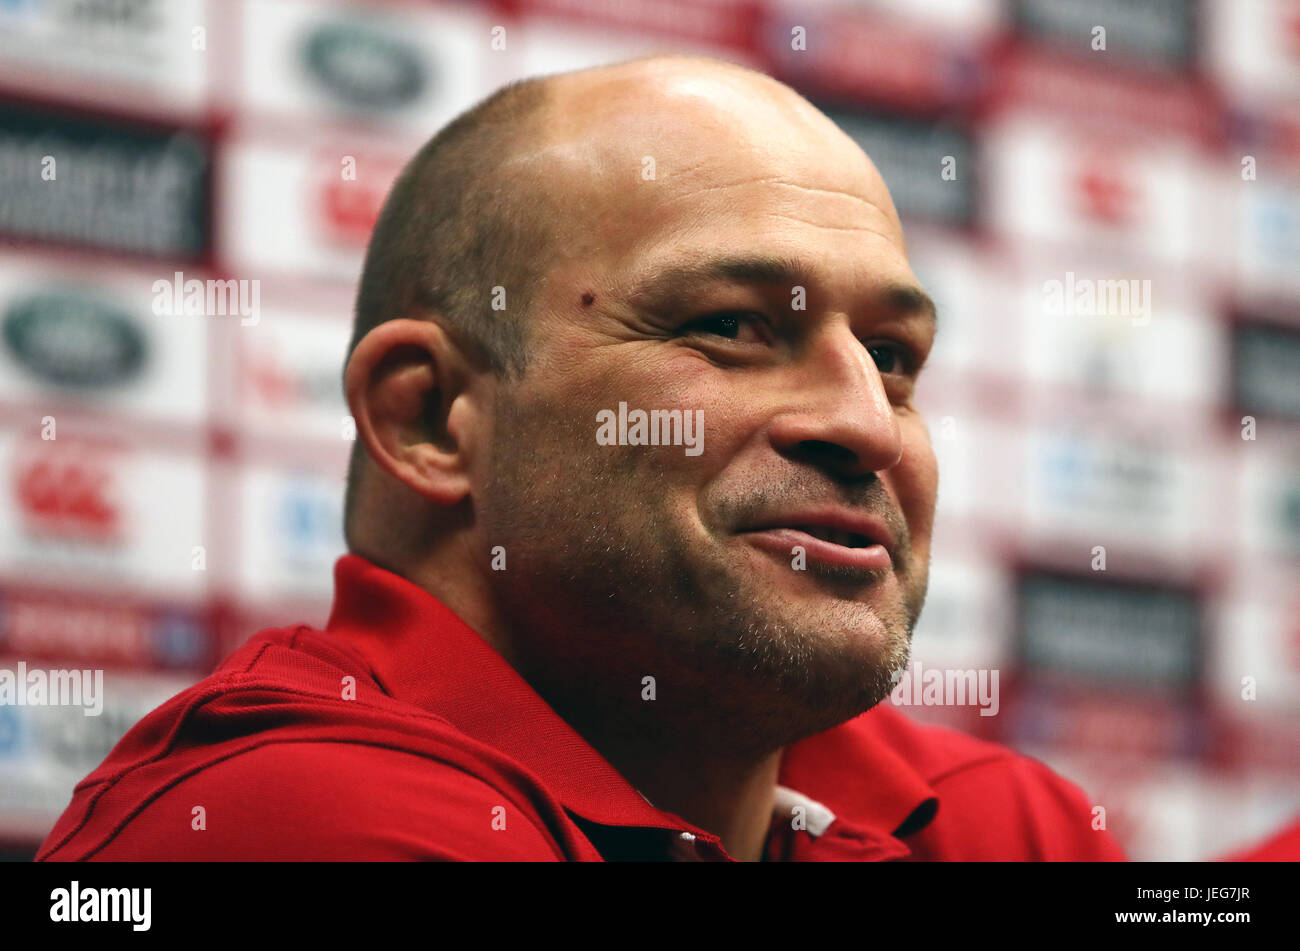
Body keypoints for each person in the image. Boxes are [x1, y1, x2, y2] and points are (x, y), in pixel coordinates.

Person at [39, 55, 1125, 862]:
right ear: (430, 417)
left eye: (890, 356)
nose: (868, 427)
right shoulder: (299, 819)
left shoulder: (1005, 822)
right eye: (733, 328)